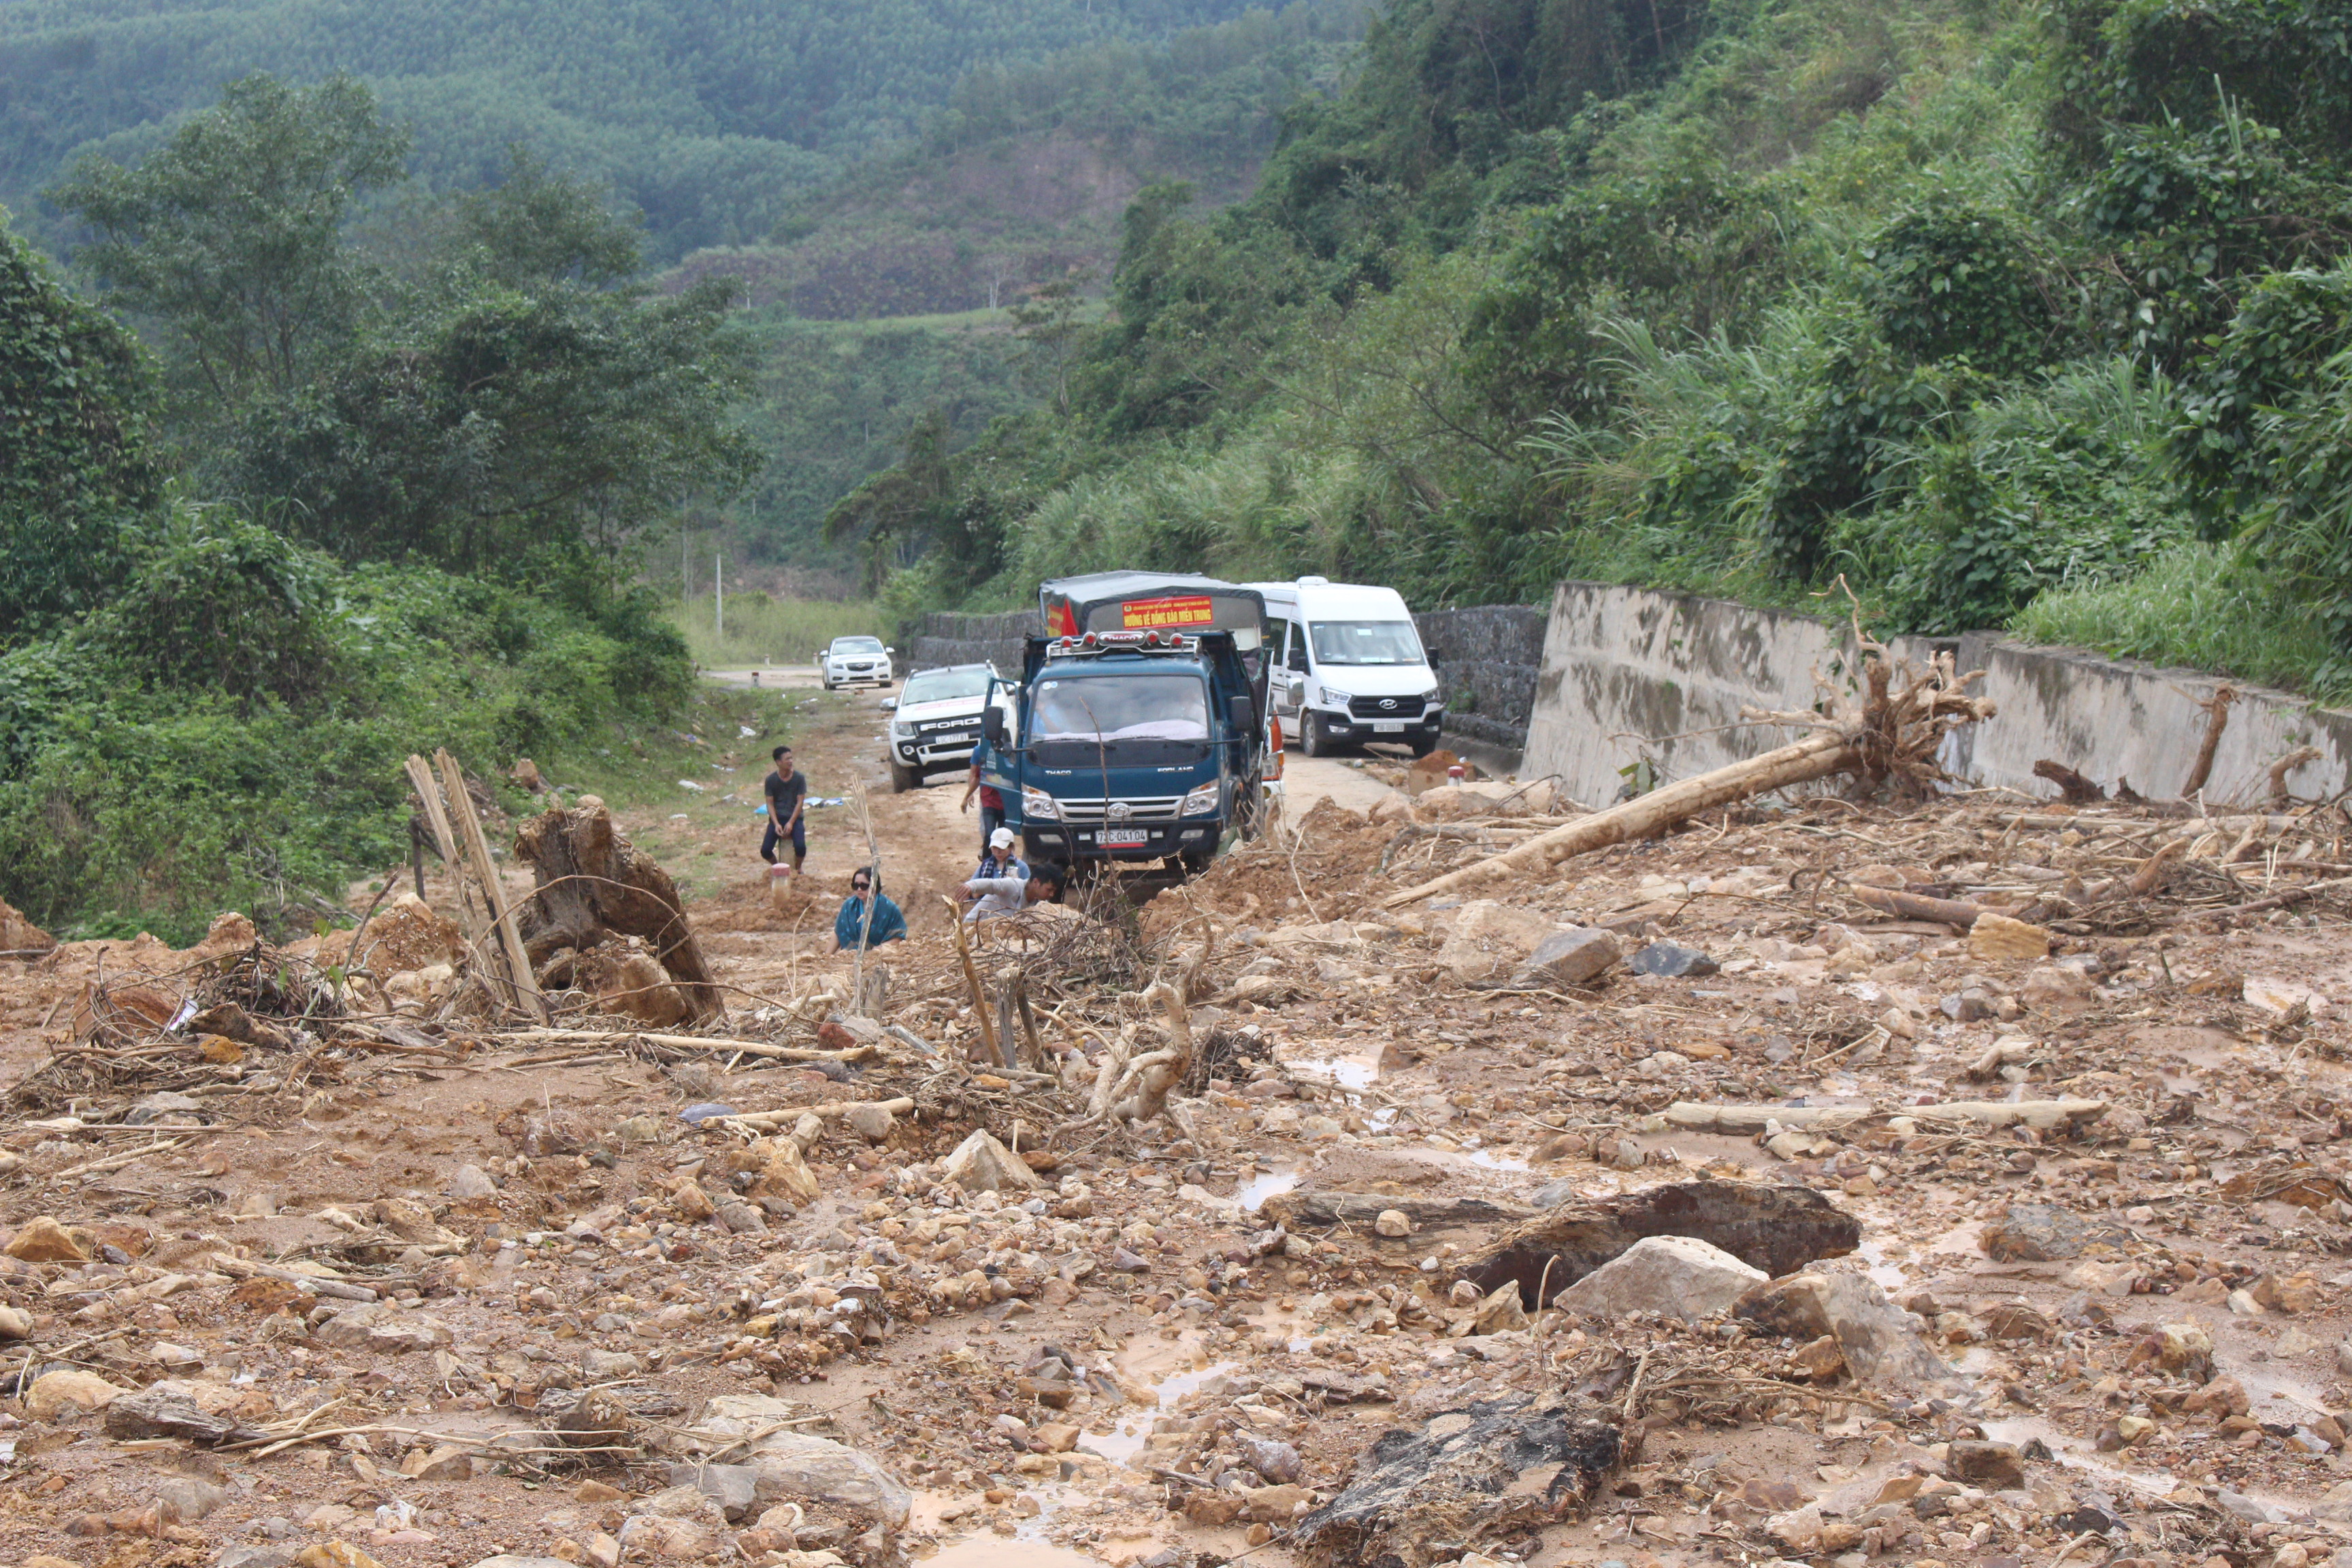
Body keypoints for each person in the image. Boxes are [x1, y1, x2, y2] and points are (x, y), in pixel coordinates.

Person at [963, 858, 1066, 921]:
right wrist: (969, 886)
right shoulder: (1014, 886)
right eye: (1049, 890)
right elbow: (991, 884)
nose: (1052, 894)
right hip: (974, 926)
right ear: (1036, 882)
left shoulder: (1040, 904)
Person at [834, 868, 906, 951]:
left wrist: (879, 950)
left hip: (879, 957)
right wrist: (827, 956)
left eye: (864, 886)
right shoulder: (849, 906)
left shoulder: (890, 909)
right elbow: (839, 931)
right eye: (856, 886)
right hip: (852, 956)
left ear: (874, 886)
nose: (859, 889)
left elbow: (898, 937)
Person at [760, 746, 807, 872]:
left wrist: (791, 823)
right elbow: (770, 803)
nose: (790, 761)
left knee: (801, 848)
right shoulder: (771, 780)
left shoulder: (799, 778)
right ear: (778, 762)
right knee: (765, 850)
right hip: (778, 818)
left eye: (791, 758)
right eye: (787, 759)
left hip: (795, 818)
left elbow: (800, 802)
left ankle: (798, 868)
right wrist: (776, 824)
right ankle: (778, 867)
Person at [960, 745, 1005, 851]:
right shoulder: (982, 752)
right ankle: (987, 860)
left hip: (1004, 801)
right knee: (989, 834)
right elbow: (976, 776)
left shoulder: (1008, 753)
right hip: (989, 800)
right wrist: (967, 796)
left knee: (1003, 836)